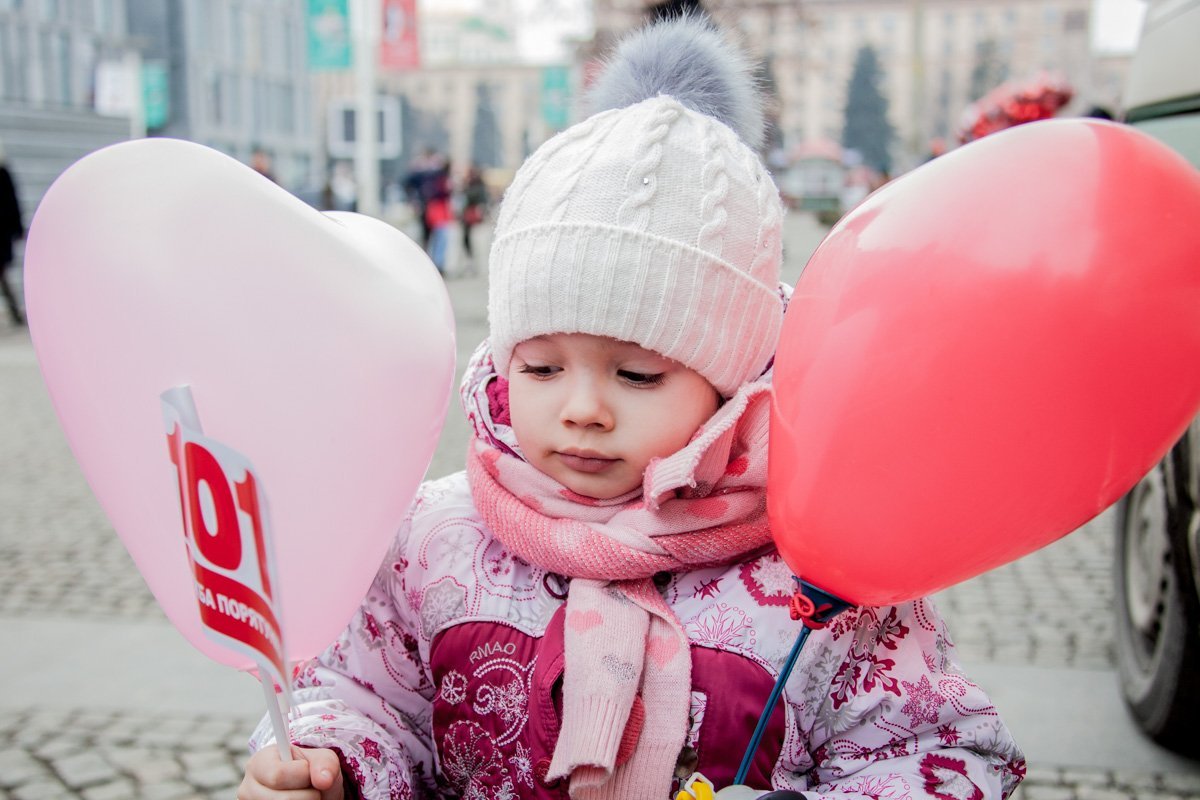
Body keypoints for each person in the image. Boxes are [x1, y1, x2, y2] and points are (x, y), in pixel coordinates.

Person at [238, 16, 1024, 800]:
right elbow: (363, 696)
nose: (583, 408)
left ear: (730, 384)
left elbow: (937, 753)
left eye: (638, 375)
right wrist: (335, 762)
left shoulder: (822, 577)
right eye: (542, 367)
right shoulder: (431, 542)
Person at [0, 140, 25, 327]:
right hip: (3, 232)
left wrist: (16, 228)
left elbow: (12, 203)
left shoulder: (3, 174)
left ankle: (15, 312)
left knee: (3, 274)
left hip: (2, 233)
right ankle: (15, 312)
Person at [459, 165, 488, 276]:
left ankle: (472, 264)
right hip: (470, 217)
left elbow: (470, 198)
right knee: (470, 240)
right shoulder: (476, 186)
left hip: (471, 217)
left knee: (472, 241)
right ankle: (472, 264)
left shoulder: (474, 187)